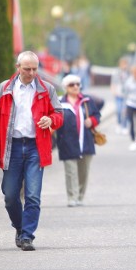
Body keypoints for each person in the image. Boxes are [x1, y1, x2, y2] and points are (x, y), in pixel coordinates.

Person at [0, 51, 64, 251]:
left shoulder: (47, 89)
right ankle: (20, 228)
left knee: (32, 195)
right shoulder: (4, 89)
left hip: (35, 147)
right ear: (18, 67)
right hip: (11, 146)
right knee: (10, 195)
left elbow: (59, 113)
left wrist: (51, 120)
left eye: (34, 69)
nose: (31, 73)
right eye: (27, 69)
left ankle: (27, 236)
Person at [54, 74, 101, 207]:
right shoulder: (60, 102)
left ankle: (80, 196)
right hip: (66, 142)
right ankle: (71, 197)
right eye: (71, 85)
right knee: (70, 172)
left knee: (83, 172)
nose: (75, 87)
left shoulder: (86, 100)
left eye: (77, 84)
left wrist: (92, 121)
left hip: (85, 141)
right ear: (65, 88)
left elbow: (97, 115)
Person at [110, 56, 130, 134]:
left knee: (124, 111)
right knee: (118, 110)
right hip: (118, 93)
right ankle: (118, 124)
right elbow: (113, 82)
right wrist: (113, 90)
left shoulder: (128, 73)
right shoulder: (116, 72)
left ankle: (124, 126)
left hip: (126, 95)